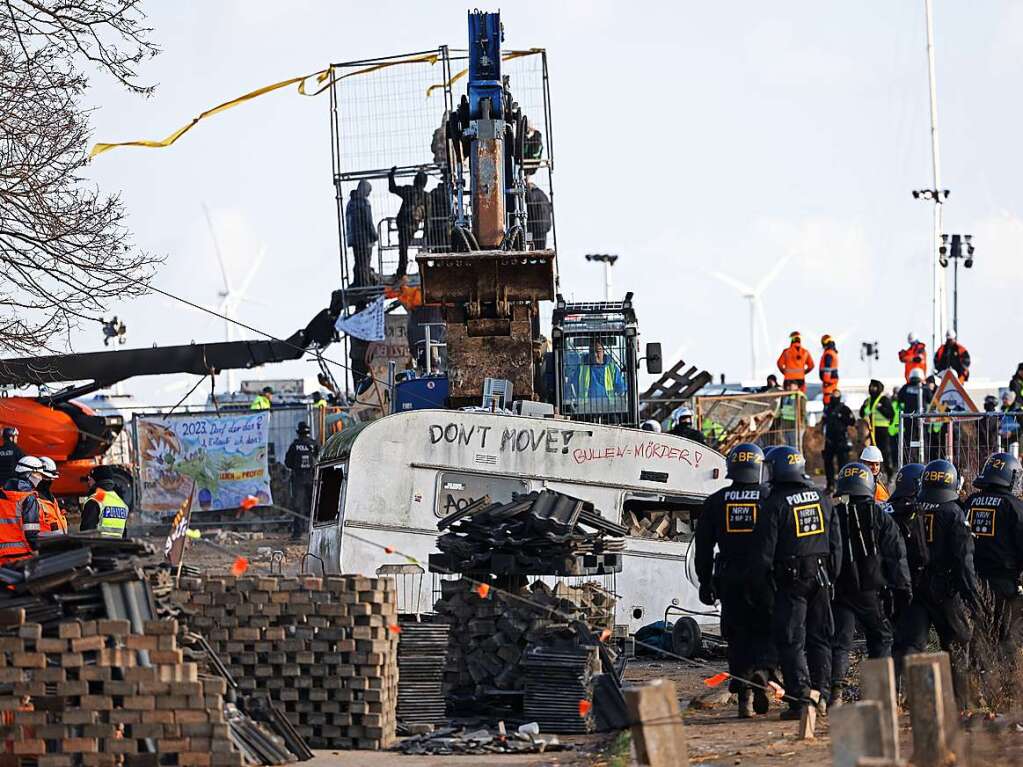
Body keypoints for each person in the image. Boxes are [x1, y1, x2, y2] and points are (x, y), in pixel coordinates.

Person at [754, 446, 842, 719]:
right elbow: (836, 544)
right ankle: (823, 695)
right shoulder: (821, 497)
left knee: (792, 640)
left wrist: (762, 587)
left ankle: (801, 700)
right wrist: (833, 576)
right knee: (820, 638)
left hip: (791, 581)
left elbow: (764, 553)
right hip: (822, 577)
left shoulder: (775, 503)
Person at [893, 459, 981, 707]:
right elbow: (964, 561)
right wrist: (973, 599)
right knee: (956, 641)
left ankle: (901, 696)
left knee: (911, 644)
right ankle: (961, 702)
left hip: (915, 587)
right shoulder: (953, 513)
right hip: (945, 591)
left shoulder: (912, 506)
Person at [696, 443, 775, 718]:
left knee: (737, 637)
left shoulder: (716, 501)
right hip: (766, 579)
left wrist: (705, 582)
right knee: (766, 631)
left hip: (729, 578)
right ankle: (763, 675)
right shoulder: (769, 497)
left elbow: (703, 549)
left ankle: (745, 698)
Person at [828, 463, 912, 707]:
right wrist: (903, 588)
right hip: (870, 592)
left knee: (840, 642)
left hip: (840, 592)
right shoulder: (880, 517)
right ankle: (878, 694)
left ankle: (835, 692)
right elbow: (896, 556)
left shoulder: (834, 515)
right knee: (882, 638)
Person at [388, 167, 428, 280]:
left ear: (415, 180)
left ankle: (401, 271)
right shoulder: (426, 196)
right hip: (413, 226)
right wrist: (426, 231)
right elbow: (428, 216)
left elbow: (393, 188)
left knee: (403, 249)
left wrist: (391, 175)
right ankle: (409, 270)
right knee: (405, 248)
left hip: (403, 224)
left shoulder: (408, 190)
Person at [285, 423, 319, 541]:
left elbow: (288, 463)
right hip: (312, 478)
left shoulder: (294, 446)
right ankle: (314, 531)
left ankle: (297, 533)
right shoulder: (314, 444)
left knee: (298, 506)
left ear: (298, 433)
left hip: (298, 479)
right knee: (313, 505)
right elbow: (321, 458)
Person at [5, 457, 45, 548]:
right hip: (22, 551)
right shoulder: (29, 497)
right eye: (38, 473)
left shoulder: (3, 493)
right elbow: (31, 532)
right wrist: (35, 548)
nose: (40, 477)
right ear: (28, 474)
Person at [80, 466, 130, 538]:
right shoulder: (121, 503)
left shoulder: (96, 500)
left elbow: (86, 532)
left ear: (95, 480)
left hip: (99, 547)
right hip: (118, 546)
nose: (88, 481)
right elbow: (124, 534)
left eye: (89, 478)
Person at [345, 179, 378, 288]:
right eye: (369, 191)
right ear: (364, 189)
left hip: (354, 239)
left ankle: (357, 281)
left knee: (358, 261)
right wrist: (374, 235)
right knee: (365, 262)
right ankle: (365, 284)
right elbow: (368, 221)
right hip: (365, 239)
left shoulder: (350, 203)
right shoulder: (364, 202)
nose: (369, 194)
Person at [821, 391, 855, 492]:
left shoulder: (844, 409)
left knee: (843, 464)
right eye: (833, 396)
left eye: (836, 396)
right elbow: (824, 421)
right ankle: (830, 484)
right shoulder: (827, 408)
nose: (834, 398)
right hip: (830, 439)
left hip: (841, 440)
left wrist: (841, 417)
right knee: (828, 463)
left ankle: (843, 485)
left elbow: (852, 421)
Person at [859, 380, 895, 475]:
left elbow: (891, 414)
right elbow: (862, 414)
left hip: (882, 429)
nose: (872, 389)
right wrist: (864, 408)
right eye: (871, 387)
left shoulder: (884, 400)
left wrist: (881, 408)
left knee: (884, 451)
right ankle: (872, 473)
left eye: (874, 387)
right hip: (870, 430)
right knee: (871, 452)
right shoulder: (868, 401)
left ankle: (889, 473)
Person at [35, 457, 67, 535]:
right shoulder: (32, 500)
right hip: (43, 545)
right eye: (46, 477)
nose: (49, 481)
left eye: (51, 479)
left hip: (57, 544)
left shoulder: (51, 498)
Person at [525, 180, 552, 250]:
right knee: (540, 249)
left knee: (531, 247)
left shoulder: (535, 193)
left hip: (534, 227)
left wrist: (526, 188)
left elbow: (529, 199)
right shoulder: (544, 195)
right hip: (543, 228)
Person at [424, 182, 451, 252]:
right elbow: (448, 209)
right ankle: (443, 251)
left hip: (434, 222)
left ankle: (435, 250)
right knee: (443, 240)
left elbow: (428, 206)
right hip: (442, 221)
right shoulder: (445, 195)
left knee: (435, 240)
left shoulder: (433, 193)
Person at [776, 380, 803, 448]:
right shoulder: (785, 396)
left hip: (795, 425)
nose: (789, 387)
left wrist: (801, 423)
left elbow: (803, 411)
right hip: (786, 425)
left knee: (795, 445)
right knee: (787, 445)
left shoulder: (799, 396)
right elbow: (781, 409)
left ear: (796, 386)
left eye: (791, 385)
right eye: (788, 386)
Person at [818, 335, 840, 405]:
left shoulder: (828, 354)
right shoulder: (832, 352)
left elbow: (827, 369)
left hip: (829, 383)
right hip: (832, 382)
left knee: (828, 399)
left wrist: (826, 381)